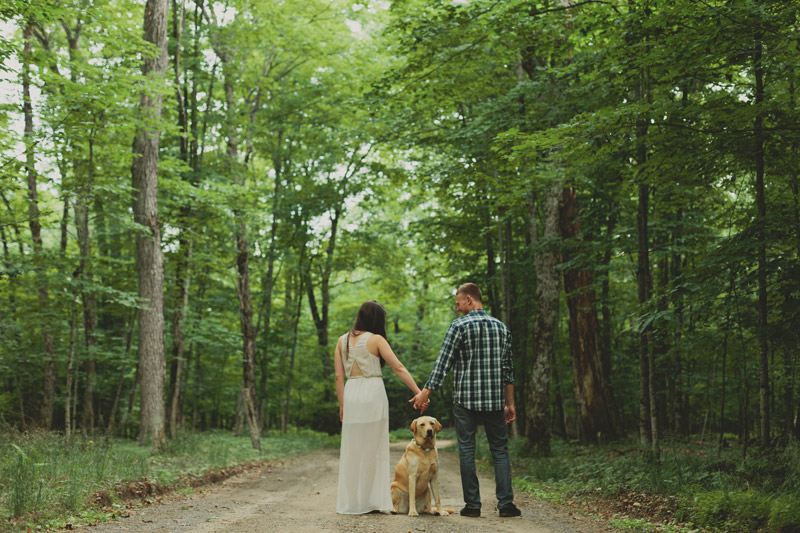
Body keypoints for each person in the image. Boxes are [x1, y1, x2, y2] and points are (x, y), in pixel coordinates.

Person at [411, 283, 521, 518]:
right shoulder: (502, 328)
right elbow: (508, 370)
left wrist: (424, 394)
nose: (458, 308)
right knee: (500, 450)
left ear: (469, 299)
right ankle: (506, 505)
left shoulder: (458, 326)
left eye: (459, 303)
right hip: (493, 400)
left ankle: (473, 506)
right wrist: (509, 403)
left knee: (467, 450)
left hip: (465, 401)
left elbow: (443, 364)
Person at [335, 300, 428, 514]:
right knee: (373, 450)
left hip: (351, 394)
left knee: (352, 451)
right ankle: (371, 501)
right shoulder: (376, 339)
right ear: (377, 319)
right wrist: (418, 392)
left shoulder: (341, 341)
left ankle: (352, 503)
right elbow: (398, 367)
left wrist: (342, 405)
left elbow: (339, 376)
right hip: (372, 394)